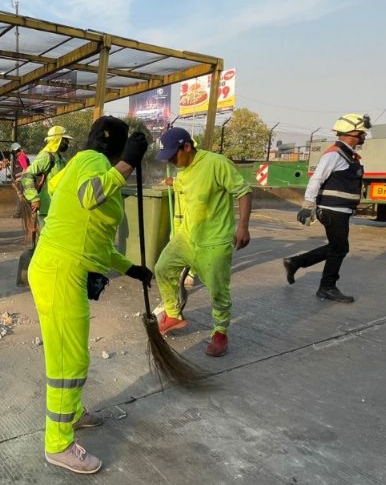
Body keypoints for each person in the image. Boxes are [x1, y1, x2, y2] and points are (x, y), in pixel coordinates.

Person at [28, 116, 152, 474]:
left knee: (71, 355)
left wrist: (131, 268)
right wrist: (127, 163)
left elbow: (91, 237)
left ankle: (73, 412)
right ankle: (58, 443)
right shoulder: (92, 161)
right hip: (59, 271)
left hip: (63, 268)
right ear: (114, 145)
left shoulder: (83, 167)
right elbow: (90, 197)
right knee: (69, 361)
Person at [154, 127, 252, 358]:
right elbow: (185, 190)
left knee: (218, 291)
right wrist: (171, 182)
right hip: (186, 238)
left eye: (173, 155)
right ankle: (173, 314)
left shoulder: (217, 163)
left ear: (187, 147)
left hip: (214, 241)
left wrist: (243, 226)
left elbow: (243, 192)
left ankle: (220, 332)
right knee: (162, 268)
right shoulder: (182, 169)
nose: (170, 161)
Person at [283, 114, 369, 303]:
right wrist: (308, 205)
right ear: (352, 132)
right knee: (339, 249)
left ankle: (296, 262)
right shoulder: (334, 154)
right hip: (332, 210)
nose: (364, 135)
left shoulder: (348, 154)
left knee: (337, 247)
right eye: (361, 131)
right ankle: (327, 287)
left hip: (340, 210)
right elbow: (317, 178)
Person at [21, 125, 72, 228]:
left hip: (58, 205)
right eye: (65, 140)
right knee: (45, 238)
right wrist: (34, 198)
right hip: (46, 206)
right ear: (58, 140)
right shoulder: (46, 157)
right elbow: (27, 176)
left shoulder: (60, 158)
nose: (67, 143)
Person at [10, 142, 31, 218]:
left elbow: (25, 169)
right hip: (23, 179)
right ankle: (26, 212)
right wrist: (15, 175)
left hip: (23, 180)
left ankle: (18, 213)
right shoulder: (22, 156)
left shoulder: (21, 157)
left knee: (20, 195)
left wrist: (19, 178)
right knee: (23, 196)